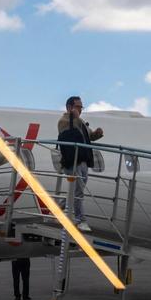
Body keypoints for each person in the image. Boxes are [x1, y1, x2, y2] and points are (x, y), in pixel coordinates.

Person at [57, 95, 103, 233]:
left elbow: (90, 136)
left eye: (81, 107)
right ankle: (80, 220)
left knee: (77, 190)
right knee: (79, 191)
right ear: (69, 107)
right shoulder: (63, 120)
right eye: (78, 106)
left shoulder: (80, 121)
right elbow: (67, 130)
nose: (80, 109)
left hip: (83, 160)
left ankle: (60, 207)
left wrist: (97, 133)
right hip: (72, 161)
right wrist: (75, 117)